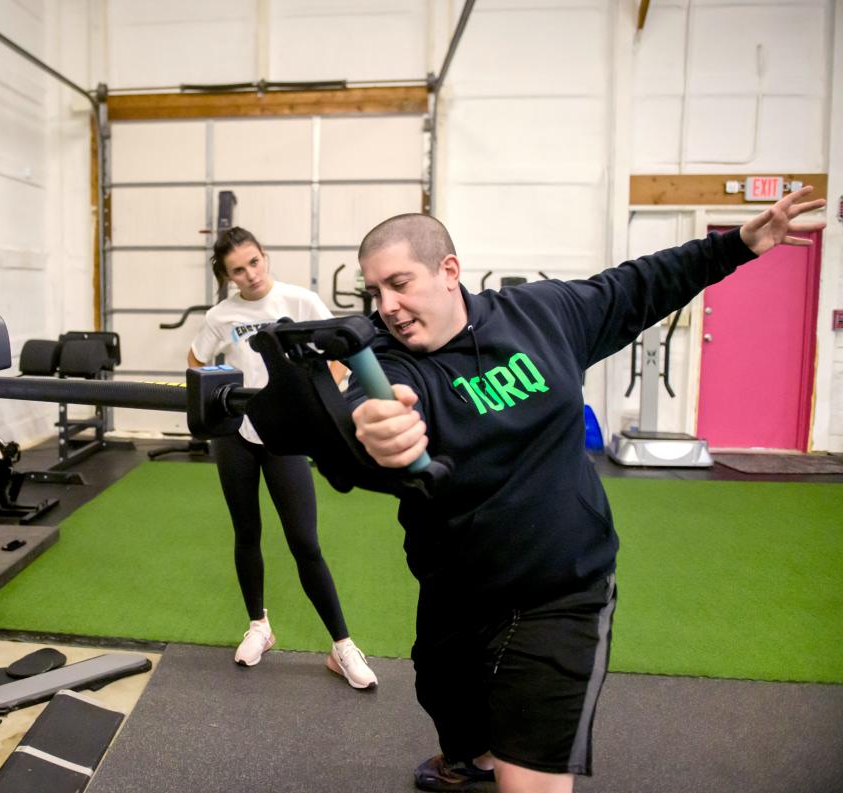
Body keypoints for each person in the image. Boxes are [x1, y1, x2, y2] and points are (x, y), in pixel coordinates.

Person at [346, 187, 826, 792]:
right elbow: (364, 410)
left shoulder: (544, 315)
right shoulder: (389, 360)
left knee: (532, 773)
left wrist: (740, 244)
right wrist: (374, 431)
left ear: (448, 272)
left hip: (562, 584)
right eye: (376, 291)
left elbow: (641, 282)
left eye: (399, 283)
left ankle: (503, 760)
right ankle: (471, 756)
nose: (386, 306)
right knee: (443, 692)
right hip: (455, 589)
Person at [189, 226, 378, 690]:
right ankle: (259, 626)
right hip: (235, 435)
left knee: (304, 541)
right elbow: (195, 363)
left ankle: (342, 645)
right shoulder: (221, 316)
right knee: (246, 532)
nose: (250, 274)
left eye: (254, 262)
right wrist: (215, 398)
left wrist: (322, 398)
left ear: (264, 257)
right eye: (238, 269)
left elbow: (340, 350)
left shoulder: (300, 302)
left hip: (285, 437)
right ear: (227, 276)